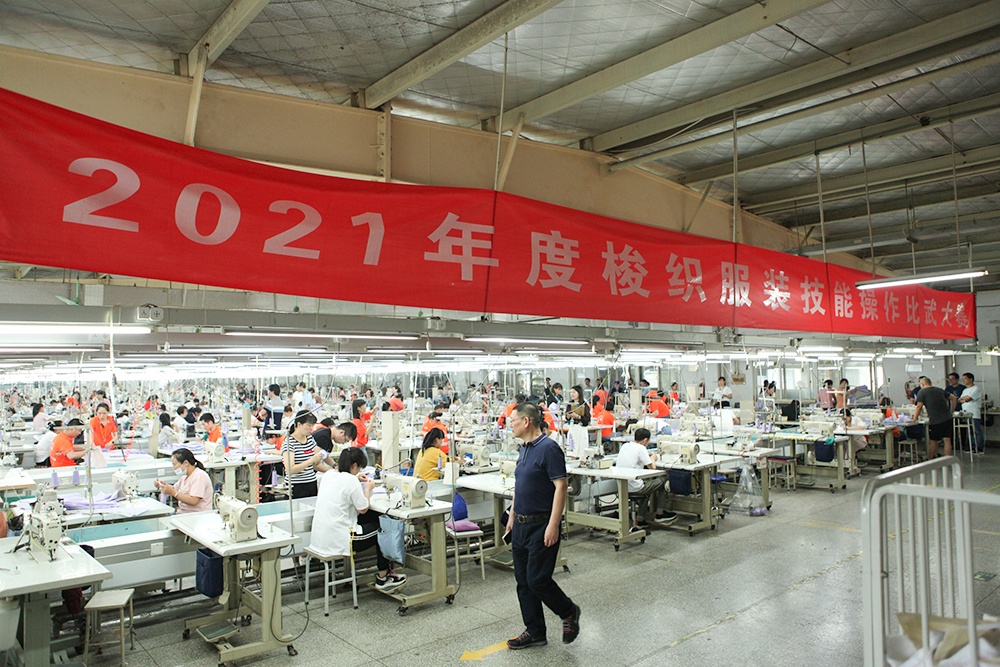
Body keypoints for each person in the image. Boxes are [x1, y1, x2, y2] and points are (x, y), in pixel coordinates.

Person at [504, 403, 580, 650]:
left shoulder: (549, 448)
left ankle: (568, 611)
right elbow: (520, 485)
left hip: (541, 524)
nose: (510, 425)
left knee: (538, 580)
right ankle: (535, 631)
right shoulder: (524, 449)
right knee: (523, 582)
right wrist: (512, 515)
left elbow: (561, 486)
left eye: (513, 421)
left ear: (526, 421)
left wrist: (553, 524)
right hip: (521, 525)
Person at [309, 447, 407, 591]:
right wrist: (367, 488)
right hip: (342, 539)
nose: (359, 470)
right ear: (354, 465)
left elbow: (343, 487)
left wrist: (356, 479)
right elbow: (363, 508)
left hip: (320, 537)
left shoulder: (329, 475)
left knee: (376, 517)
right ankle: (383, 577)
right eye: (359, 468)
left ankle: (385, 571)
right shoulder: (350, 480)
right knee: (385, 528)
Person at [615, 428, 670, 525]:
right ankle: (660, 513)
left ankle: (640, 520)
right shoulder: (641, 448)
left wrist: (645, 455)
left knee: (647, 483)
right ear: (645, 440)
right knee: (664, 478)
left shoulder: (625, 446)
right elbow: (652, 468)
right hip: (636, 487)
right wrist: (653, 458)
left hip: (622, 486)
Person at [283, 410, 331, 498]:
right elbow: (290, 469)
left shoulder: (310, 439)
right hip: (296, 486)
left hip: (311, 483)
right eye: (309, 425)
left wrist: (332, 469)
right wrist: (310, 461)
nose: (311, 428)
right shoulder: (289, 443)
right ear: (299, 424)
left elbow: (317, 462)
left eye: (312, 425)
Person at [154, 447, 213, 513]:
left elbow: (193, 501)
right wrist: (163, 486)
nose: (174, 468)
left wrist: (172, 492)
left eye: (174, 465)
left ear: (186, 463)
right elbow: (173, 489)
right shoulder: (184, 477)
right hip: (183, 513)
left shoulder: (199, 476)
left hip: (197, 515)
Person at [913, 376, 957, 459]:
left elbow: (919, 407)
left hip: (936, 420)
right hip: (947, 418)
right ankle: (947, 460)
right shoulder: (939, 390)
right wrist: (951, 411)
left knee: (933, 441)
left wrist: (914, 419)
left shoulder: (922, 392)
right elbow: (954, 398)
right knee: (947, 440)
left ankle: (930, 460)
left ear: (922, 384)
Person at [958, 372, 984, 454]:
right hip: (966, 414)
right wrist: (964, 399)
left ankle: (979, 448)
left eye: (965, 379)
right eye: (963, 379)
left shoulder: (976, 389)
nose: (964, 380)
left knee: (976, 431)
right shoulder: (965, 390)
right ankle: (971, 447)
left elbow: (968, 399)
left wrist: (965, 399)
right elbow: (959, 400)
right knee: (970, 431)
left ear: (971, 379)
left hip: (974, 413)